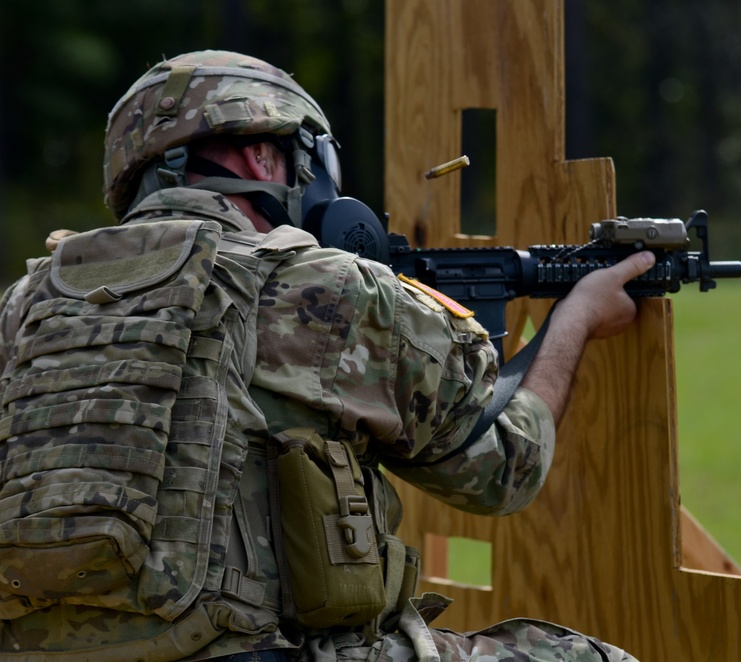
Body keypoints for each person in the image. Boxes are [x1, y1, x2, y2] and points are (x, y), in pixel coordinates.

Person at [0, 51, 651, 661]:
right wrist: (577, 317)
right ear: (262, 157)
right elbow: (502, 468)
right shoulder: (319, 283)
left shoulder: (26, 303)